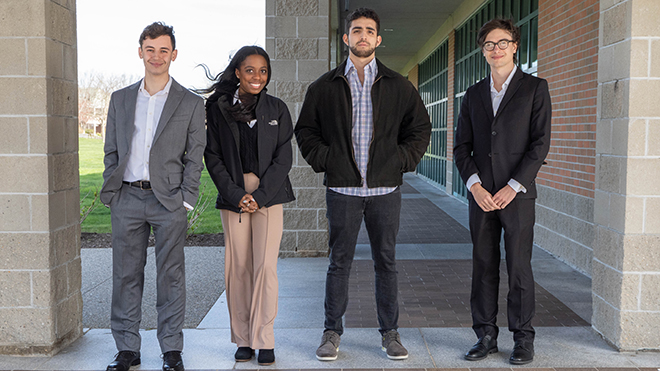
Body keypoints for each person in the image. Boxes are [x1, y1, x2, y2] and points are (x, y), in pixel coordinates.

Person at [295, 7, 431, 362]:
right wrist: (328, 161)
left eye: (370, 31)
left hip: (385, 191)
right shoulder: (324, 87)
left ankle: (390, 333)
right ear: (346, 37)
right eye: (357, 30)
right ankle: (331, 332)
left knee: (386, 262)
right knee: (339, 262)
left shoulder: (398, 85)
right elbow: (305, 131)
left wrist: (400, 161)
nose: (363, 36)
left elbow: (420, 130)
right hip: (343, 190)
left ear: (379, 39)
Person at [100, 22, 206, 371]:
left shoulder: (191, 103)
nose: (157, 56)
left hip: (169, 202)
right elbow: (111, 150)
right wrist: (113, 190)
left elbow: (195, 155)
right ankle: (127, 349)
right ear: (140, 51)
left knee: (170, 276)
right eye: (150, 49)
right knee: (125, 275)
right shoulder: (120, 98)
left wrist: (186, 199)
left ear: (173, 54)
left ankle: (171, 350)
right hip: (127, 199)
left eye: (164, 50)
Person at [453, 18, 552, 365]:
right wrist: (474, 185)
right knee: (483, 265)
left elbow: (540, 145)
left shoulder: (535, 89)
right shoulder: (473, 94)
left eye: (502, 42)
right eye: (489, 45)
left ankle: (523, 338)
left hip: (518, 196)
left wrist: (513, 185)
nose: (496, 49)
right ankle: (485, 335)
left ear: (515, 46)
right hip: (481, 196)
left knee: (519, 267)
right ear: (483, 51)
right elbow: (460, 147)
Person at [202, 46, 295, 366]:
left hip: (269, 196)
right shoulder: (218, 109)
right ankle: (243, 339)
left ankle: (264, 338)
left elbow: (284, 158)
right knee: (238, 268)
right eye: (251, 70)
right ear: (238, 72)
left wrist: (261, 195)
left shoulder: (278, 109)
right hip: (233, 196)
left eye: (263, 71)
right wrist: (235, 193)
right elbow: (211, 156)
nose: (257, 76)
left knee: (265, 268)